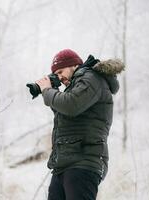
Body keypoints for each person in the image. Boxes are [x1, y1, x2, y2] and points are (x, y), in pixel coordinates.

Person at [36, 49, 124, 200]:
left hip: (83, 161)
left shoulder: (92, 78)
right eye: (56, 74)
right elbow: (64, 114)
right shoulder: (77, 86)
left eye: (60, 71)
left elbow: (71, 105)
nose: (60, 77)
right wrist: (53, 90)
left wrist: (47, 91)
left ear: (74, 65)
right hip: (65, 163)